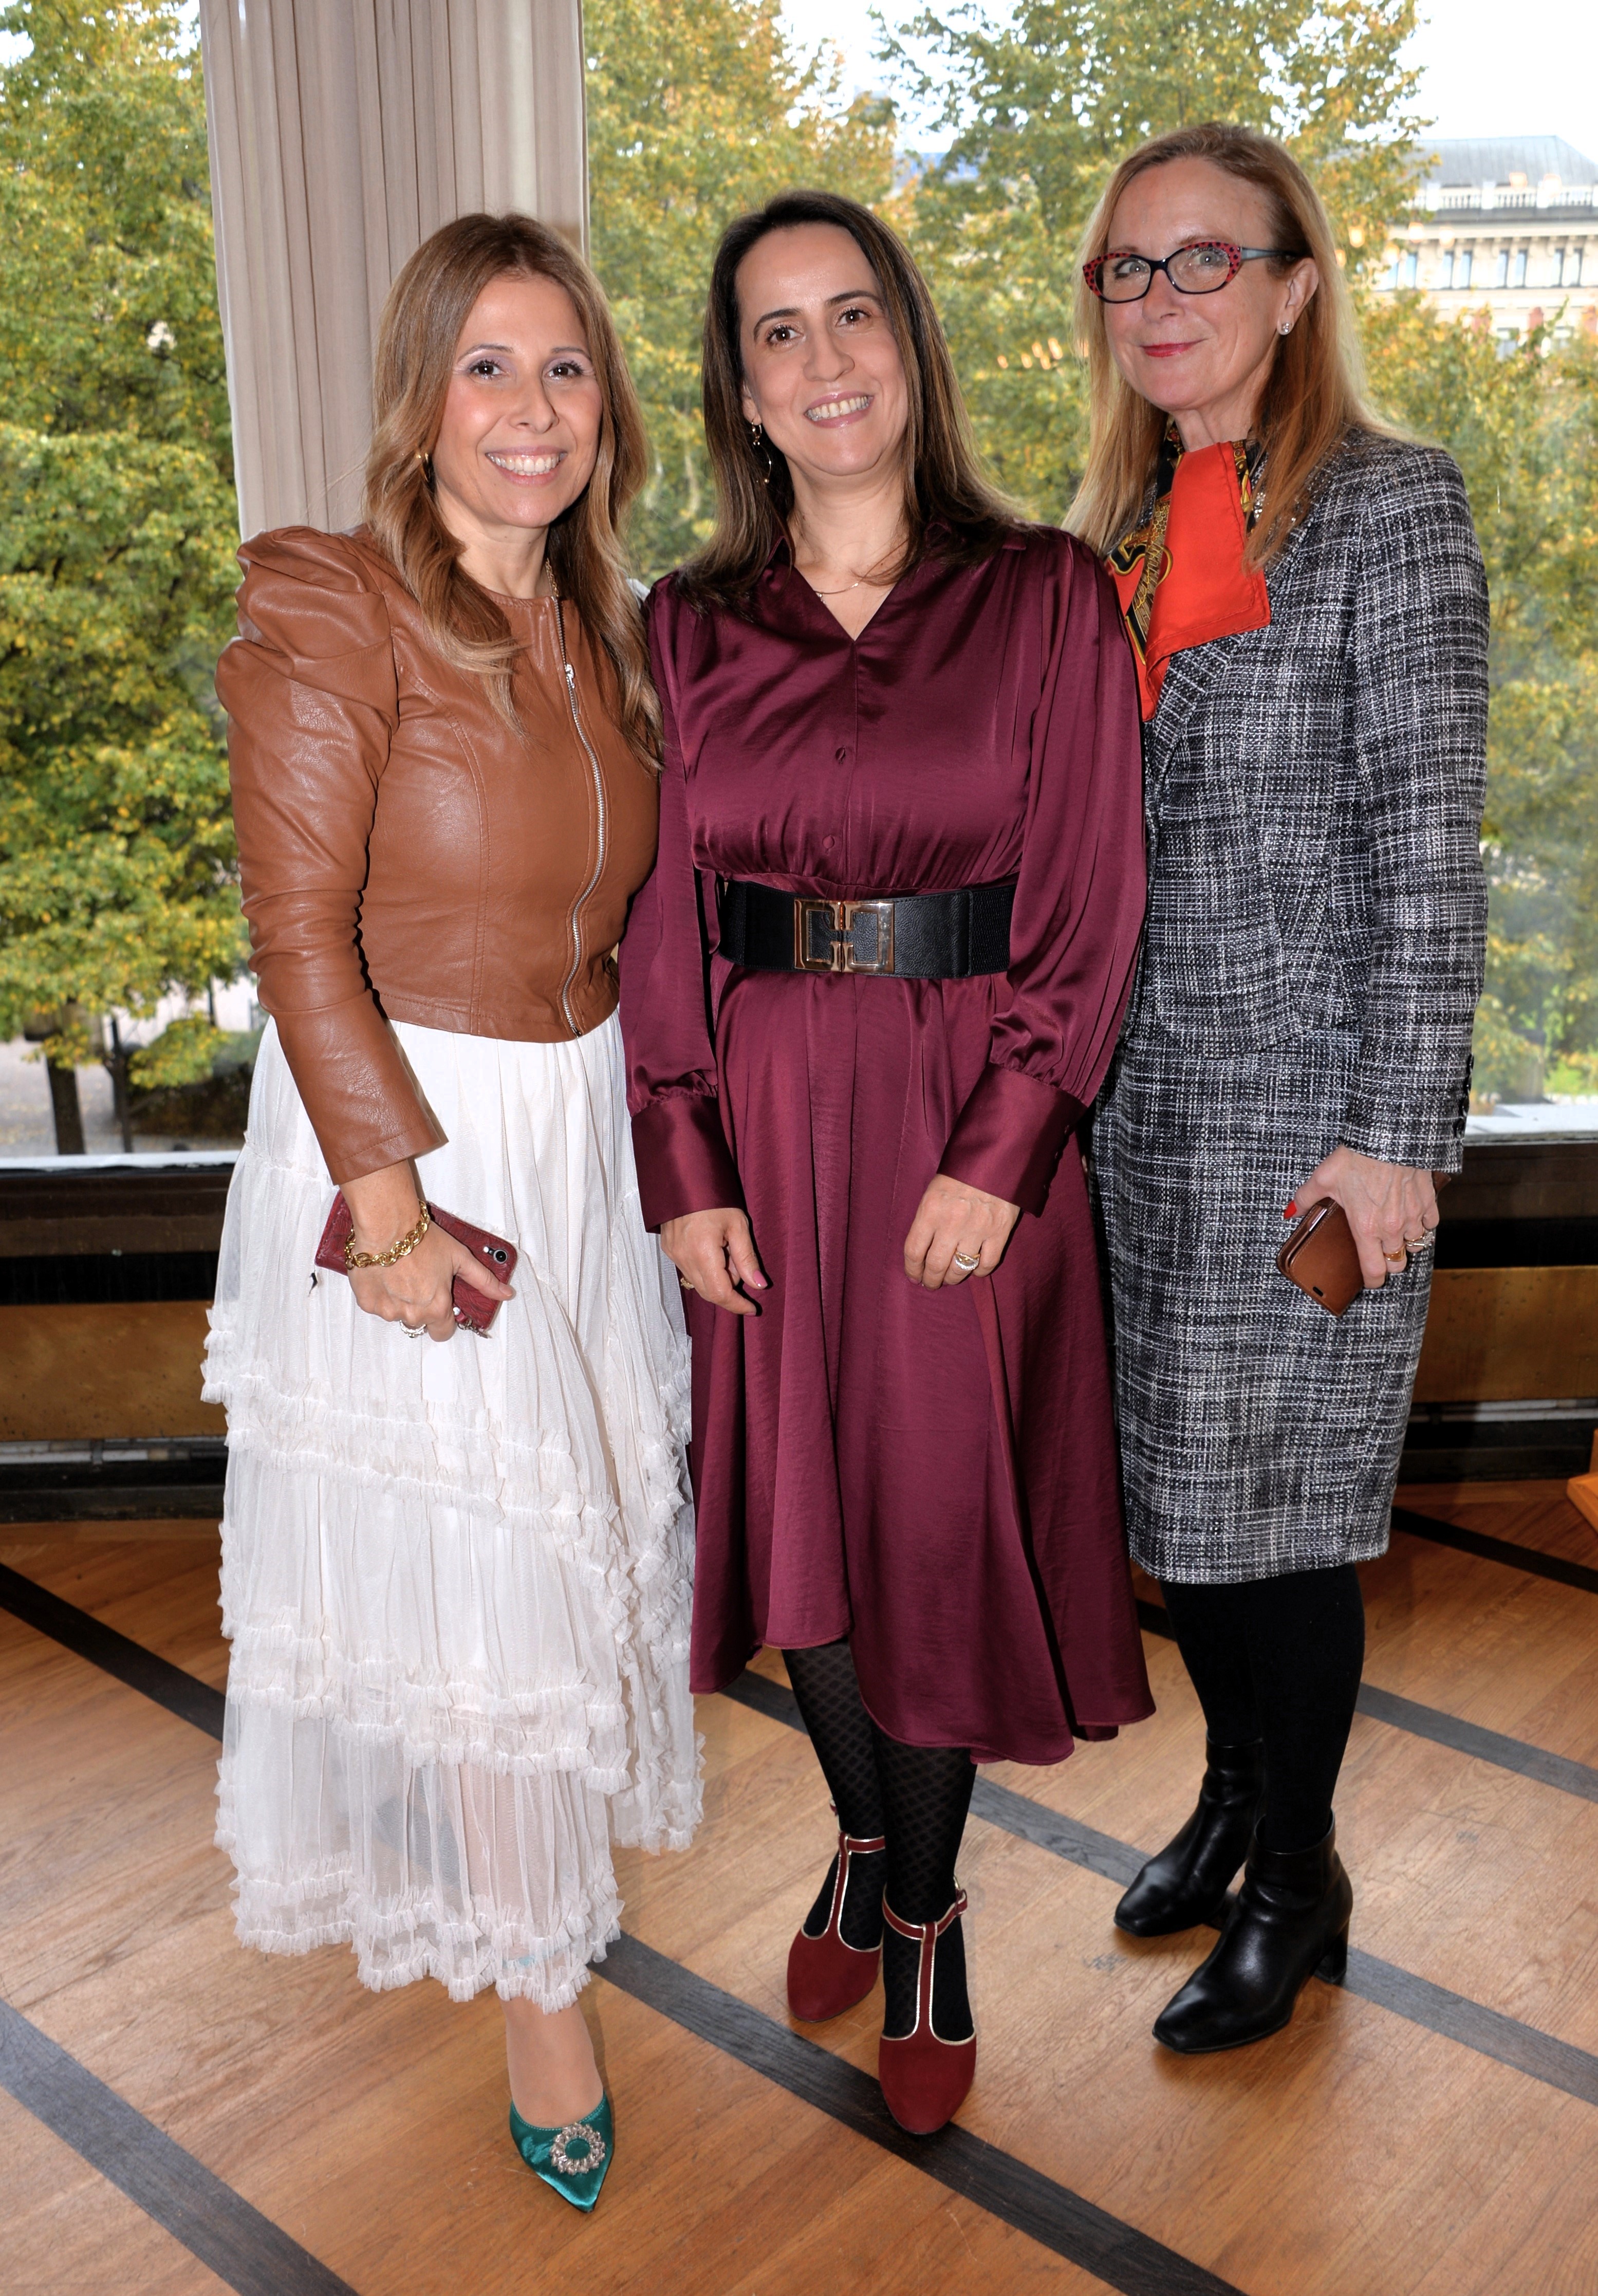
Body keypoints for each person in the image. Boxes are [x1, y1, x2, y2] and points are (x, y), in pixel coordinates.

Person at [618, 190, 1152, 2136]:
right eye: (779, 332)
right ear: (743, 391)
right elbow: (658, 917)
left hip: (968, 1125)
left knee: (932, 1523)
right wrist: (684, 1157)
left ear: (910, 346)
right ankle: (864, 1837)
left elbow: (1091, 895)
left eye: (853, 315)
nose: (824, 359)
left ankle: (924, 1913)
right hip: (761, 1123)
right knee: (806, 1523)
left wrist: (1007, 1146)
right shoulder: (685, 625)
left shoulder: (1047, 596)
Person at [205, 212, 699, 2209]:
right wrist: (391, 1212)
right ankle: (540, 1995)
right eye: (487, 366)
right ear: (421, 400)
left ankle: (526, 1895)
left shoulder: (609, 622)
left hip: (575, 1137)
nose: (532, 407)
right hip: (410, 1142)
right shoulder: (336, 601)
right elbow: (296, 931)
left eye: (565, 366)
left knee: (566, 1553)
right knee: (493, 1576)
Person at [1074, 124, 1488, 2052]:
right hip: (1141, 1126)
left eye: (1205, 260)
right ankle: (1236, 1795)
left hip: (1317, 1133)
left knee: (1287, 1522)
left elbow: (1429, 846)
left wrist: (1399, 1134)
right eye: (1129, 268)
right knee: (1186, 1511)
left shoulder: (1389, 507)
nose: (1161, 299)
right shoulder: (1119, 529)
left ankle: (1301, 1879)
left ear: (1298, 283)